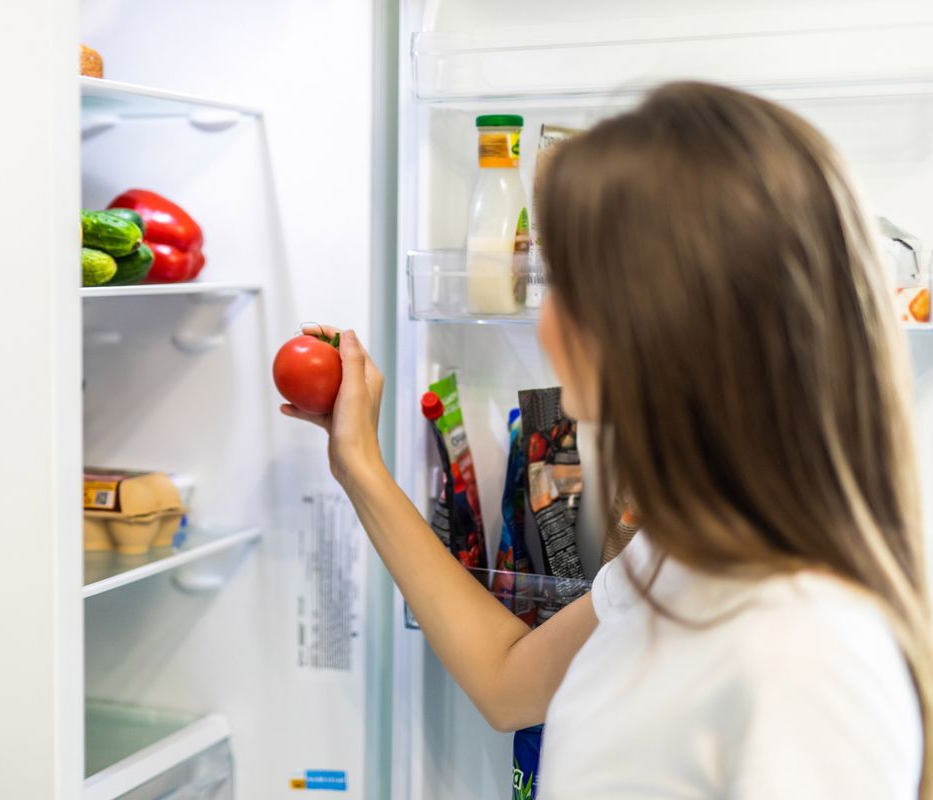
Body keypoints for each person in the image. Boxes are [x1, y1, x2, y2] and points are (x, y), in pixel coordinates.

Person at [281, 82, 931, 798]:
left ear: (662, 318)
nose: (545, 318)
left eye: (562, 280)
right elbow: (505, 681)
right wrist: (359, 467)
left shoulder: (804, 651)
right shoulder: (677, 557)